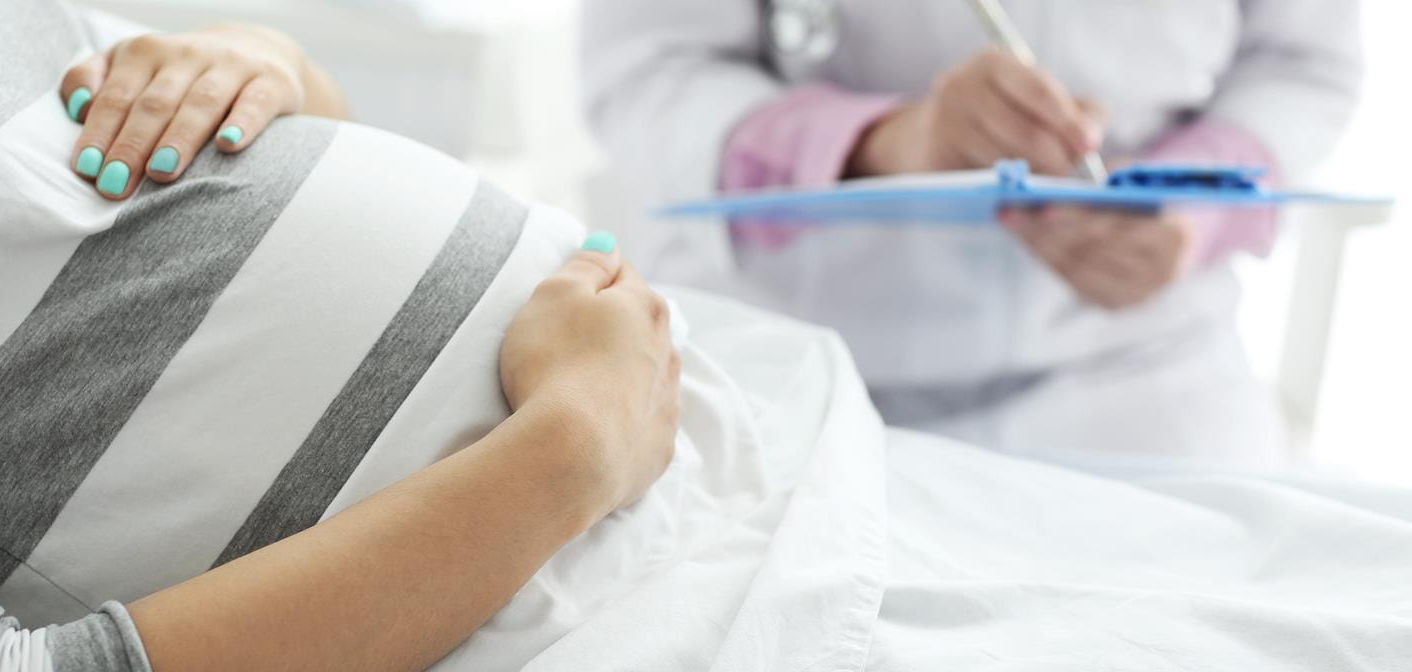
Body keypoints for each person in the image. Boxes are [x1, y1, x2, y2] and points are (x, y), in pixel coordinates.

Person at [0, 4, 1412, 672]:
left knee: (1354, 603)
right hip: (609, 660)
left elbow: (209, 162)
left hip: (762, 450)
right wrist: (569, 448)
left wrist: (259, 68)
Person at [581, 0, 1363, 463]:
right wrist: (886, 142)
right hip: (787, 377)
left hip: (1142, 380)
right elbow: (650, 73)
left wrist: (1192, 208)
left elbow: (1303, 65)